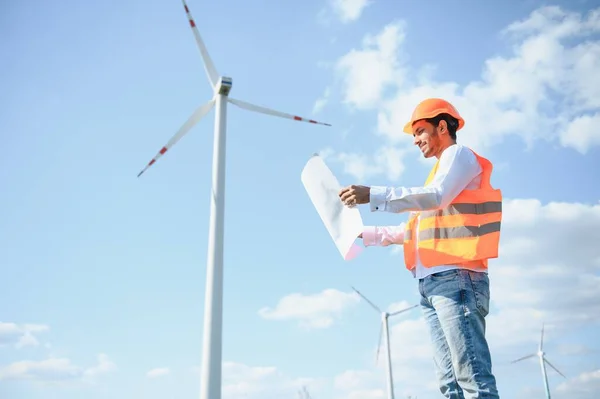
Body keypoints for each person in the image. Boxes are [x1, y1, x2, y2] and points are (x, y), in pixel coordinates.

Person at [339, 98, 502, 399]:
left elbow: (435, 196)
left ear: (442, 126)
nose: (415, 141)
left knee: (473, 380)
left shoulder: (459, 156)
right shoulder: (441, 173)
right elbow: (413, 230)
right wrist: (363, 234)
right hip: (433, 285)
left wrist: (373, 194)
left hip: (457, 280)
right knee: (450, 385)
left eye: (420, 131)